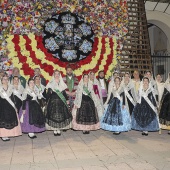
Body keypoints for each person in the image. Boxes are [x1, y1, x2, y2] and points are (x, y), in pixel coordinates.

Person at [46, 70, 72, 136]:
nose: (57, 75)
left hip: (61, 102)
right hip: (53, 102)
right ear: (53, 75)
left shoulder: (62, 83)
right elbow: (48, 94)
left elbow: (64, 93)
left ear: (59, 75)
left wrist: (66, 99)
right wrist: (47, 99)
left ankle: (59, 128)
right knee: (54, 115)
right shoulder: (51, 83)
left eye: (58, 74)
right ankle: (55, 129)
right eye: (55, 74)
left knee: (60, 115)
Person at [0, 75, 22, 141]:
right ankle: (3, 135)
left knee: (10, 120)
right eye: (4, 79)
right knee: (3, 120)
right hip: (2, 107)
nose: (5, 81)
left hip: (10, 106)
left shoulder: (11, 88)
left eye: (7, 79)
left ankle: (9, 133)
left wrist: (15, 106)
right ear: (1, 81)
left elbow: (13, 98)